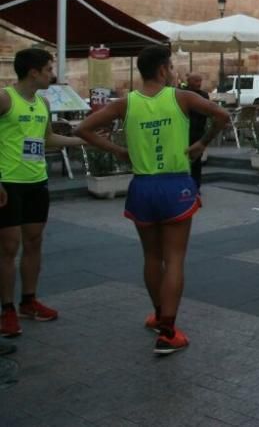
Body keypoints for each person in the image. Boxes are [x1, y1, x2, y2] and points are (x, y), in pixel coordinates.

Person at [76, 45, 230, 355]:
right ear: (162, 69)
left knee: (151, 257)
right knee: (174, 259)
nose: (173, 72)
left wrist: (118, 151)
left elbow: (83, 129)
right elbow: (222, 115)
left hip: (142, 185)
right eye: (171, 68)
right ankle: (168, 331)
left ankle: (159, 315)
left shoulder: (126, 103)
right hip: (176, 185)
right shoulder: (181, 97)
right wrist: (201, 143)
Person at [0, 49, 86, 339]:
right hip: (8, 182)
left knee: (34, 242)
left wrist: (82, 140)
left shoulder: (42, 102)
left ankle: (29, 300)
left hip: (36, 181)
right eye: (49, 69)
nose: (53, 74)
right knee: (9, 247)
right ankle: (7, 310)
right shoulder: (5, 99)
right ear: (33, 72)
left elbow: (47, 138)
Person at [181, 73, 210, 190]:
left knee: (196, 161)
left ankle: (196, 186)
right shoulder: (181, 94)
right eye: (196, 81)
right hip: (183, 132)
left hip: (198, 132)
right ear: (189, 81)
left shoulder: (204, 95)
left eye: (200, 80)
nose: (199, 83)